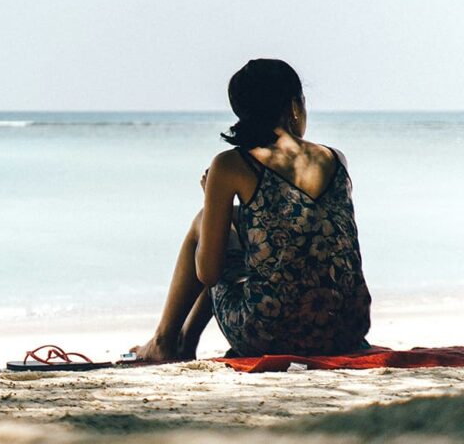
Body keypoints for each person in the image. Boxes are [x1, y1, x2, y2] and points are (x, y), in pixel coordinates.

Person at [132, 59, 371, 361]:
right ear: (295, 106)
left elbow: (208, 273)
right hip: (346, 330)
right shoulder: (335, 159)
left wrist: (213, 203)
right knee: (230, 226)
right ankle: (181, 343)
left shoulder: (231, 164)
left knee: (205, 223)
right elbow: (298, 229)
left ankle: (166, 341)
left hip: (270, 335)